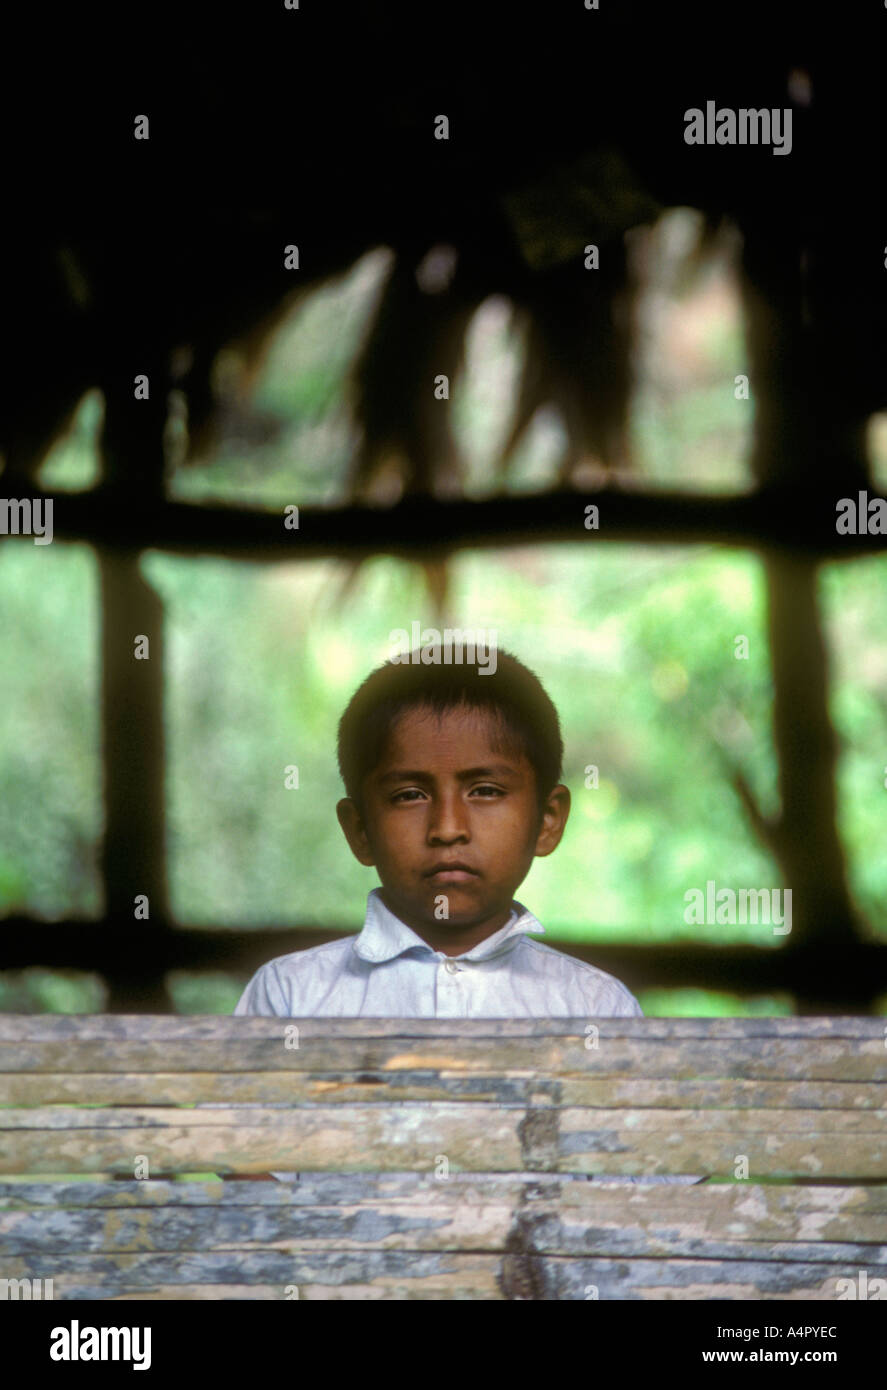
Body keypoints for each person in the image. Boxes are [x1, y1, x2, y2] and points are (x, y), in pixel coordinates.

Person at [234, 645, 643, 1019]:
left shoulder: (596, 1008)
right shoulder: (291, 998)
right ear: (359, 830)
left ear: (548, 820)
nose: (448, 829)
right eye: (410, 795)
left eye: (485, 791)